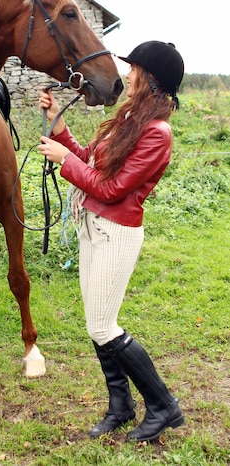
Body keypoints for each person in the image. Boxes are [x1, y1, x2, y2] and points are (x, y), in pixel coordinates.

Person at [38, 41, 185, 442]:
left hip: (116, 234)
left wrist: (63, 162)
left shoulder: (157, 133)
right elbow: (88, 159)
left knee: (105, 326)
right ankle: (121, 406)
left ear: (151, 79)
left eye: (134, 69)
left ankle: (163, 405)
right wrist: (59, 127)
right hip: (94, 228)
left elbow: (114, 188)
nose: (129, 75)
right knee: (96, 324)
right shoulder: (131, 121)